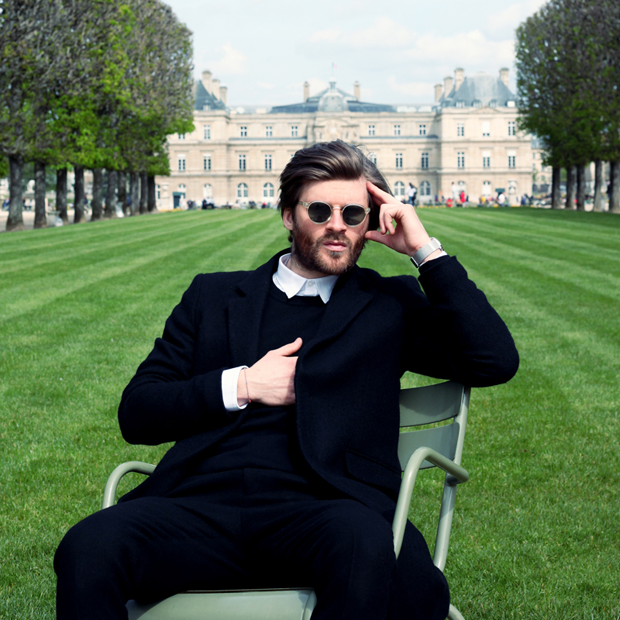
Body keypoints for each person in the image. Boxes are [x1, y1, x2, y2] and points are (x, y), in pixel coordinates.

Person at [54, 140, 519, 620]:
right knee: (88, 547)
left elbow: (493, 360)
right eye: (319, 210)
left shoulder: (387, 306)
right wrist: (242, 385)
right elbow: (138, 413)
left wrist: (425, 251)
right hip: (198, 507)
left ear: (370, 222)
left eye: (353, 214)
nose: (337, 225)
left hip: (325, 510)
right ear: (288, 216)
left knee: (364, 543)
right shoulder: (212, 296)